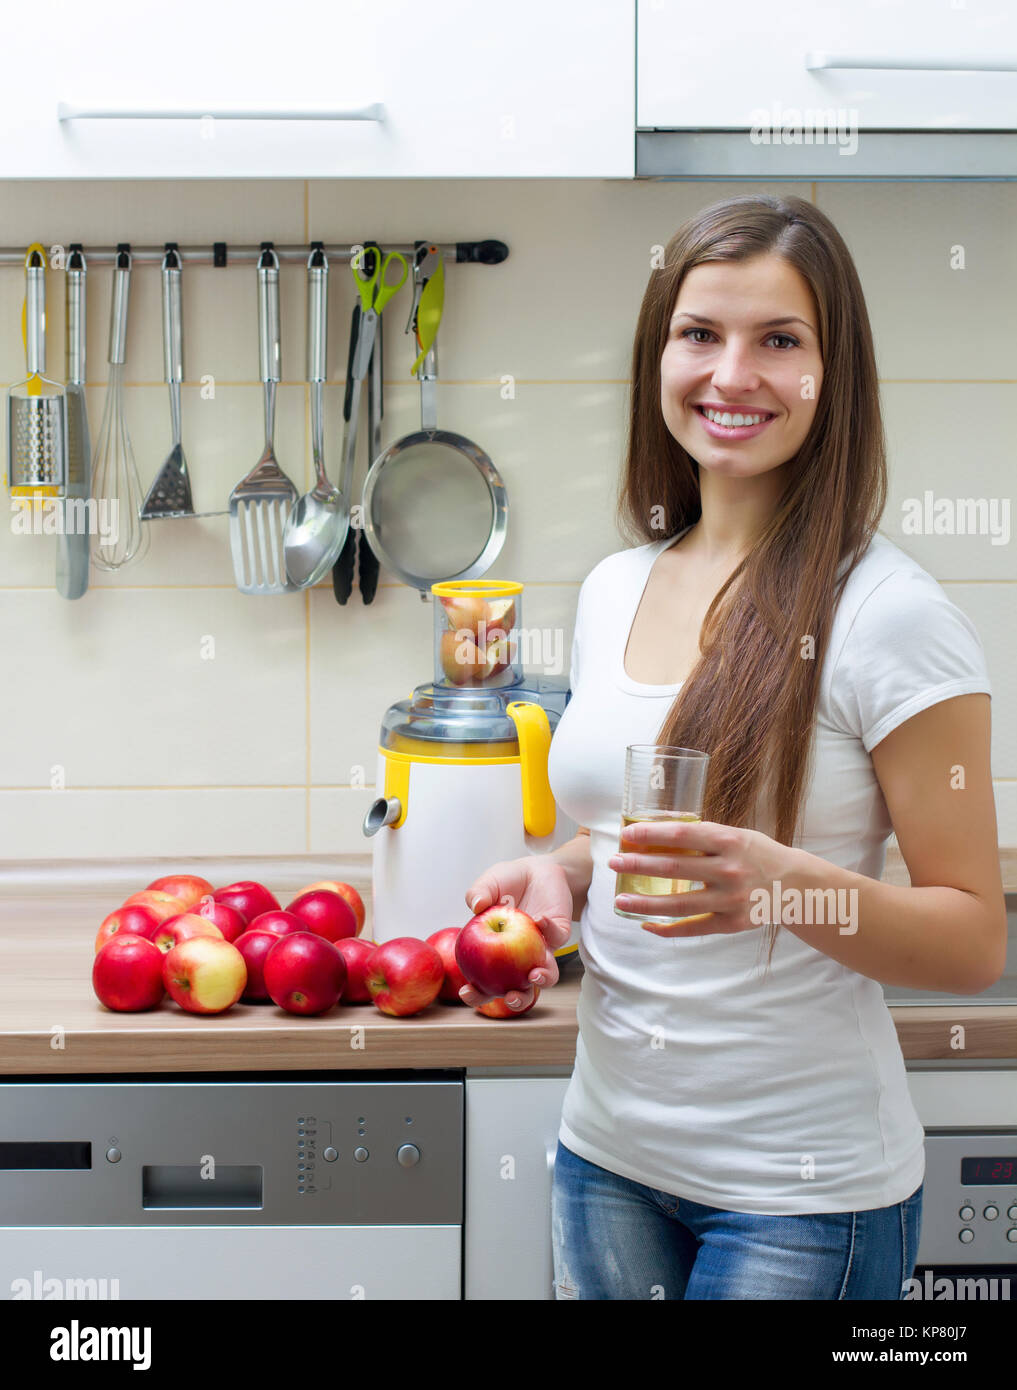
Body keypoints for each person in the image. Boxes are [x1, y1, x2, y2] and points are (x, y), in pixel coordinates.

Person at [460, 193, 1006, 1300]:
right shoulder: (620, 585)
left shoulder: (888, 614)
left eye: (780, 341)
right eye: (701, 333)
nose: (732, 373)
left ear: (829, 373)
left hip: (801, 1198)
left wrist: (785, 889)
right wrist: (560, 873)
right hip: (606, 1160)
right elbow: (629, 830)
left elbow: (970, 942)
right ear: (658, 354)